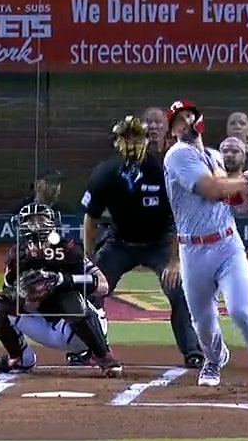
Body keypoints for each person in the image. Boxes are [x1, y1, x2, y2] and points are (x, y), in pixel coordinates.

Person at [162, 99, 248, 393]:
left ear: (200, 119)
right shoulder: (177, 156)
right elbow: (212, 189)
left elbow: (229, 199)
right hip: (192, 251)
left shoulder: (214, 156)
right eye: (179, 120)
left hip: (227, 245)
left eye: (189, 116)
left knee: (242, 311)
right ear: (174, 131)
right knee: (203, 324)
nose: (186, 122)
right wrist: (247, 178)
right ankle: (214, 358)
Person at [79, 114, 202, 368]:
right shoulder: (105, 173)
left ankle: (192, 349)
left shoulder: (162, 170)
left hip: (161, 241)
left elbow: (182, 216)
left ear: (147, 139)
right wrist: (88, 260)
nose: (131, 142)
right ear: (116, 141)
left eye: (136, 136)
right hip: (120, 241)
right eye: (125, 137)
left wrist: (176, 260)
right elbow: (90, 219)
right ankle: (87, 347)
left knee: (179, 290)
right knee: (90, 289)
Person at [0, 202, 121, 377]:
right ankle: (20, 358)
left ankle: (103, 356)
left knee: (69, 299)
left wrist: (62, 280)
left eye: (41, 220)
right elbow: (15, 300)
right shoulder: (18, 256)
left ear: (51, 223)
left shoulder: (69, 249)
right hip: (47, 326)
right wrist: (32, 297)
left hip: (83, 326)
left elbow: (103, 286)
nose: (36, 226)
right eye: (30, 222)